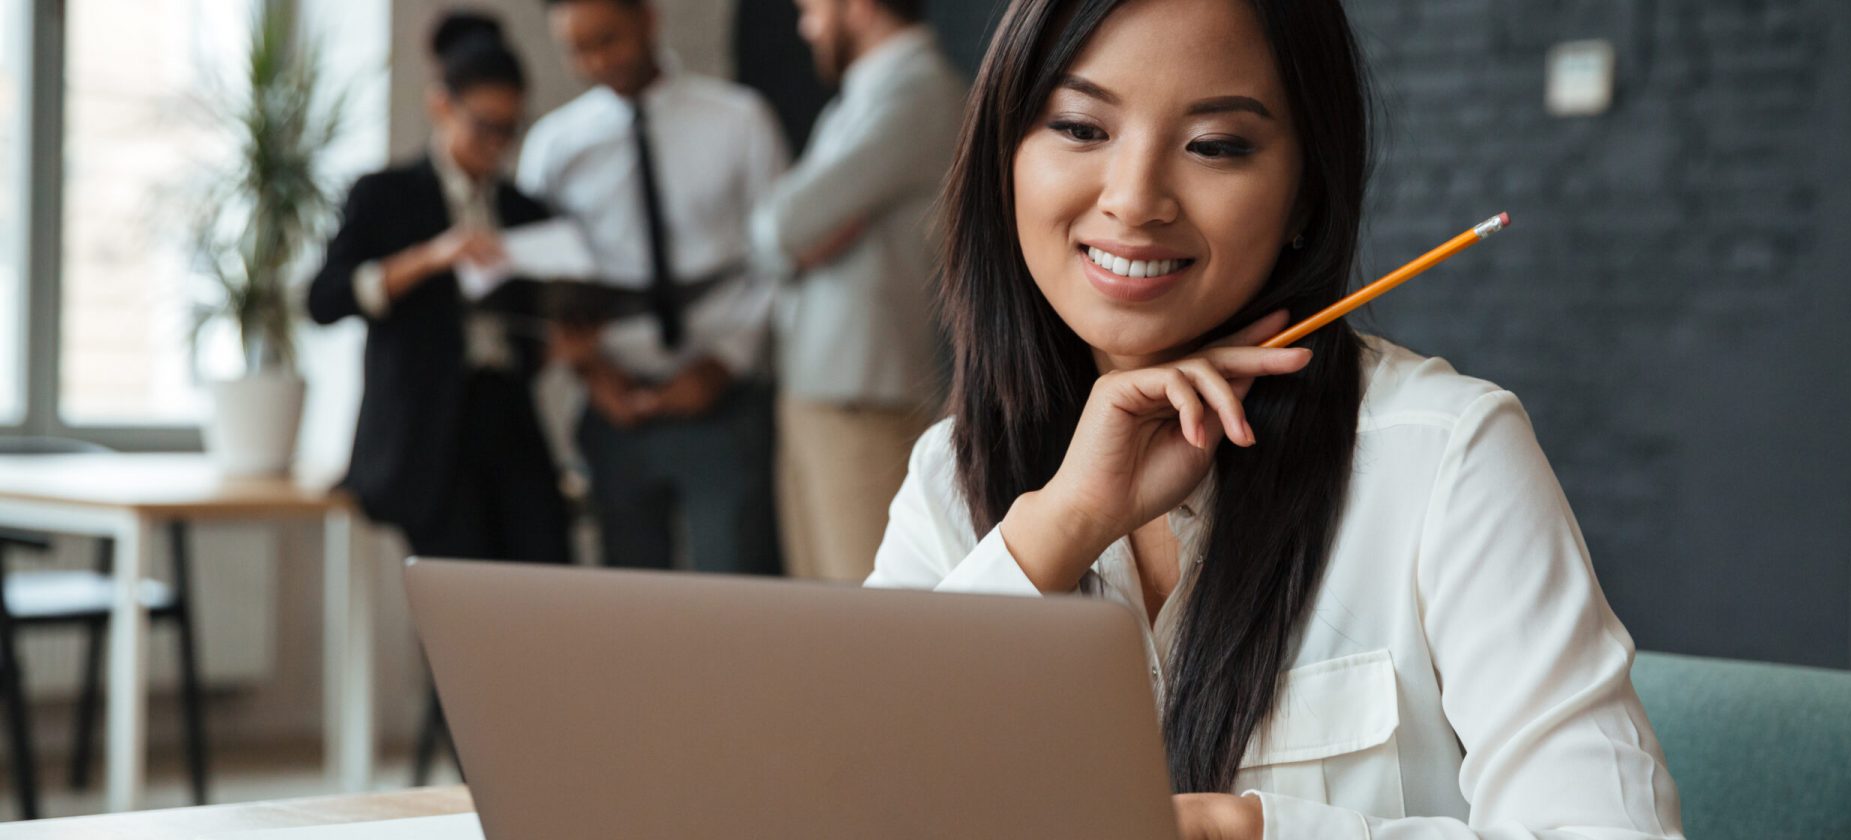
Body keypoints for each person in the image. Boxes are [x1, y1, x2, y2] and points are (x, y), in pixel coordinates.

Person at [866, 1, 1687, 838]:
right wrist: (1062, 524)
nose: (1135, 199)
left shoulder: (1444, 457)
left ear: (1305, 195)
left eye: (1216, 146)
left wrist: (1254, 834)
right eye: (1081, 128)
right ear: (1005, 151)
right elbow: (846, 796)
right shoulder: (949, 474)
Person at [524, 0, 789, 575]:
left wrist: (725, 364)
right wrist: (594, 377)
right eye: (576, 48)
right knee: (627, 606)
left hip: (724, 402)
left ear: (648, 19)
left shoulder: (738, 119)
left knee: (734, 597)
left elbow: (779, 262)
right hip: (613, 409)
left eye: (608, 39)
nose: (595, 61)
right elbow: (539, 283)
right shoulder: (554, 147)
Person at [309, 15, 571, 570]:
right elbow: (324, 301)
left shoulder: (525, 210)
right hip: (426, 434)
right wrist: (431, 258)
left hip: (508, 422)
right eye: (484, 126)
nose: (497, 145)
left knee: (543, 578)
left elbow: (541, 323)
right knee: (460, 600)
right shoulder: (386, 196)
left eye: (510, 129)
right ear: (442, 106)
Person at [750, 0, 966, 582]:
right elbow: (783, 233)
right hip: (824, 391)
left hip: (865, 398)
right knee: (825, 615)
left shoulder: (918, 90)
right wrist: (796, 235)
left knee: (866, 626)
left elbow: (781, 223)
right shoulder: (867, 92)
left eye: (811, 8)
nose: (804, 26)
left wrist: (795, 236)